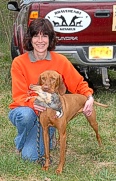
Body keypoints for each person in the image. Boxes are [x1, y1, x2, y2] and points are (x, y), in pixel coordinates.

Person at [8, 18, 94, 162]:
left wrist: (89, 97)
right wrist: (33, 103)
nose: (40, 40)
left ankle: (49, 132)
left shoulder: (60, 61)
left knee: (29, 157)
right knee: (26, 116)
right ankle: (20, 143)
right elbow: (19, 96)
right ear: (30, 39)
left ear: (50, 39)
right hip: (26, 109)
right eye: (36, 36)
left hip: (51, 112)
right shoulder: (19, 62)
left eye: (45, 36)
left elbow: (78, 84)